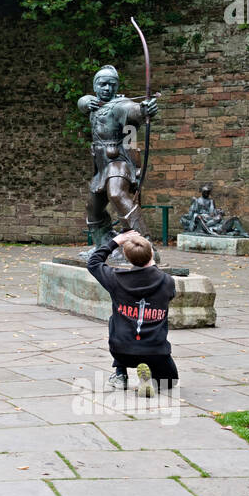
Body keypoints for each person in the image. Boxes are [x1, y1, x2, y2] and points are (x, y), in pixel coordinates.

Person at [86, 229, 178, 397]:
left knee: (116, 319)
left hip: (122, 350)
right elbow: (169, 295)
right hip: (155, 351)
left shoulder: (116, 278)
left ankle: (120, 374)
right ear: (151, 253)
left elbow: (93, 262)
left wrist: (116, 241)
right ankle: (151, 378)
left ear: (127, 258)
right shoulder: (167, 282)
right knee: (170, 382)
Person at [77, 65, 159, 247]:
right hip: (101, 164)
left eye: (112, 85)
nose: (107, 89)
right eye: (103, 84)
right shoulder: (94, 104)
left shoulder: (120, 105)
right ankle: (104, 245)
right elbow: (83, 102)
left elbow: (133, 110)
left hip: (118, 161)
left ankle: (144, 245)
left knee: (116, 193)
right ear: (95, 86)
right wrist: (85, 101)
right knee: (93, 208)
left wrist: (144, 109)